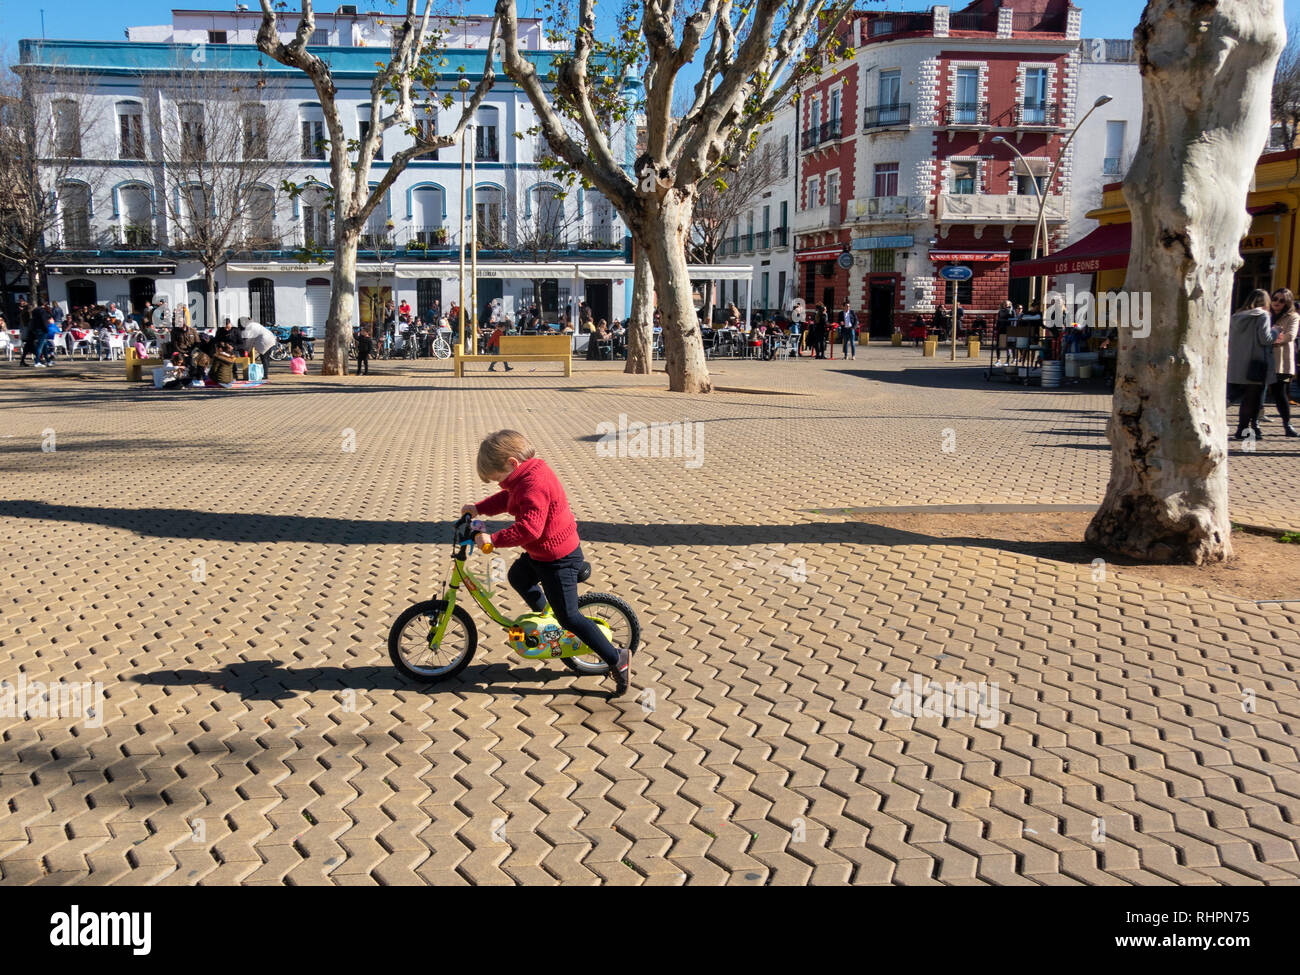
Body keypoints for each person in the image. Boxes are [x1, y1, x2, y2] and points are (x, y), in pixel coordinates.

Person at [463, 430, 630, 698]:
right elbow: (508, 499)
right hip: (542, 553)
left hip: (558, 558)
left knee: (570, 616)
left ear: (512, 463)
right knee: (519, 577)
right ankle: (550, 623)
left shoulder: (534, 485)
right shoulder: (523, 478)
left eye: (498, 479)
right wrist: (479, 508)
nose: (499, 485)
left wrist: (492, 540)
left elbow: (530, 530)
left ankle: (616, 658)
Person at [1228, 289, 1273, 441]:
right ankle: (1242, 429)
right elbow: (1265, 338)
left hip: (1237, 363)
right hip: (1255, 362)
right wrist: (1276, 332)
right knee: (1252, 398)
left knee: (1243, 397)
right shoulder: (1263, 315)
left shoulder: (1236, 316)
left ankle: (1242, 429)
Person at [1268, 288, 1299, 436]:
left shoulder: (1293, 316)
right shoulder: (1265, 314)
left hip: (1283, 364)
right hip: (1263, 359)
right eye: (1275, 299)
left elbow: (1290, 335)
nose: (1277, 303)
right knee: (1256, 392)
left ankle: (1287, 424)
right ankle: (1253, 424)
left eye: (1281, 300)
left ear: (1287, 302)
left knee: (1280, 393)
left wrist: (1269, 340)